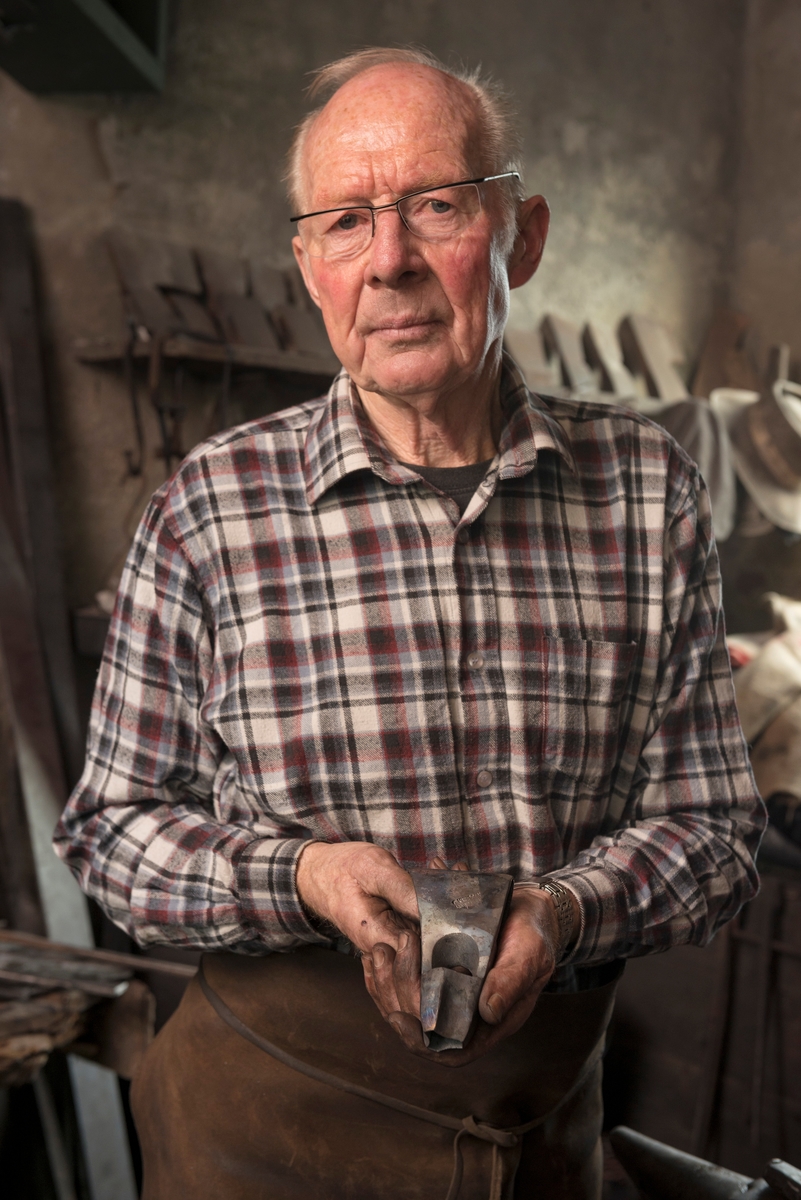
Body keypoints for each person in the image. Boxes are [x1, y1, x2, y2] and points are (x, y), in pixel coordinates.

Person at [55, 47, 764, 1200]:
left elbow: (715, 833)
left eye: (435, 207)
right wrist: (303, 878)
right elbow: (113, 833)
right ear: (309, 264)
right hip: (259, 1137)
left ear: (520, 236)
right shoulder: (210, 506)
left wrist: (570, 908)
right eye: (344, 223)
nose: (389, 263)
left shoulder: (645, 488)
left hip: (534, 1138)